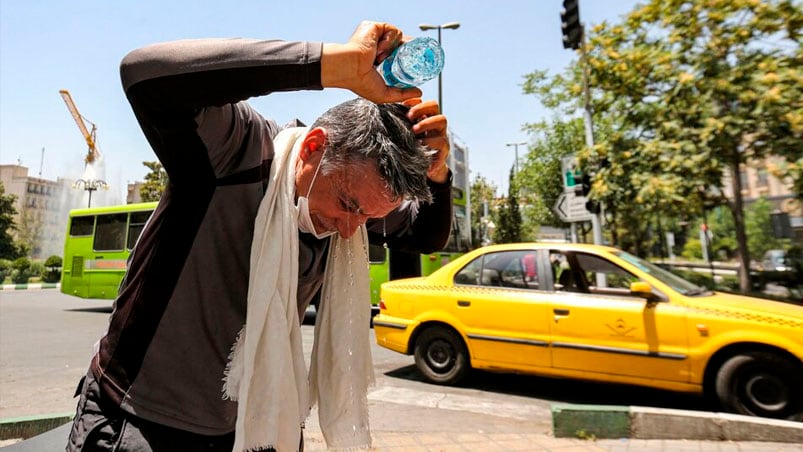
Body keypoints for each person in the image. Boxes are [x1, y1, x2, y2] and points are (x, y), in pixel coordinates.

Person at [66, 21, 453, 452]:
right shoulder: (237, 150)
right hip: (142, 421)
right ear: (313, 148)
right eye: (347, 204)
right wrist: (330, 64)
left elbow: (425, 234)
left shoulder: (356, 207)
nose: (349, 230)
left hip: (261, 427)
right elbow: (144, 73)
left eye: (368, 218)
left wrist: (438, 176)